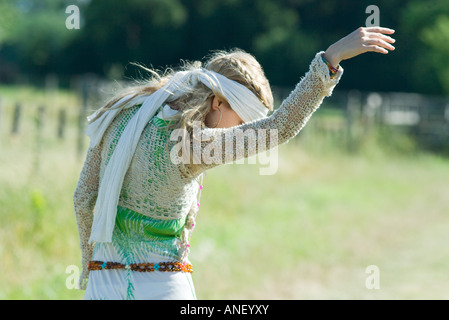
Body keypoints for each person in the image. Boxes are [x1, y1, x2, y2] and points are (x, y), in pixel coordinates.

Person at [73, 26, 395, 300]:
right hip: (160, 285)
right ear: (217, 101)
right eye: (241, 121)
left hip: (102, 284)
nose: (239, 132)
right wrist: (329, 60)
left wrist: (92, 264)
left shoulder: (120, 114)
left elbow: (82, 199)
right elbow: (278, 128)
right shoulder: (188, 145)